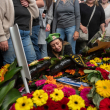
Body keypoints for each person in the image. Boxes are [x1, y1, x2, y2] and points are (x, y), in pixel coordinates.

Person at [0, 0, 39, 65]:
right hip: (10, 35)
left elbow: (36, 15)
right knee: (10, 63)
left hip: (26, 35)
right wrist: (2, 37)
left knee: (32, 61)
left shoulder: (26, 1)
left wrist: (30, 2)